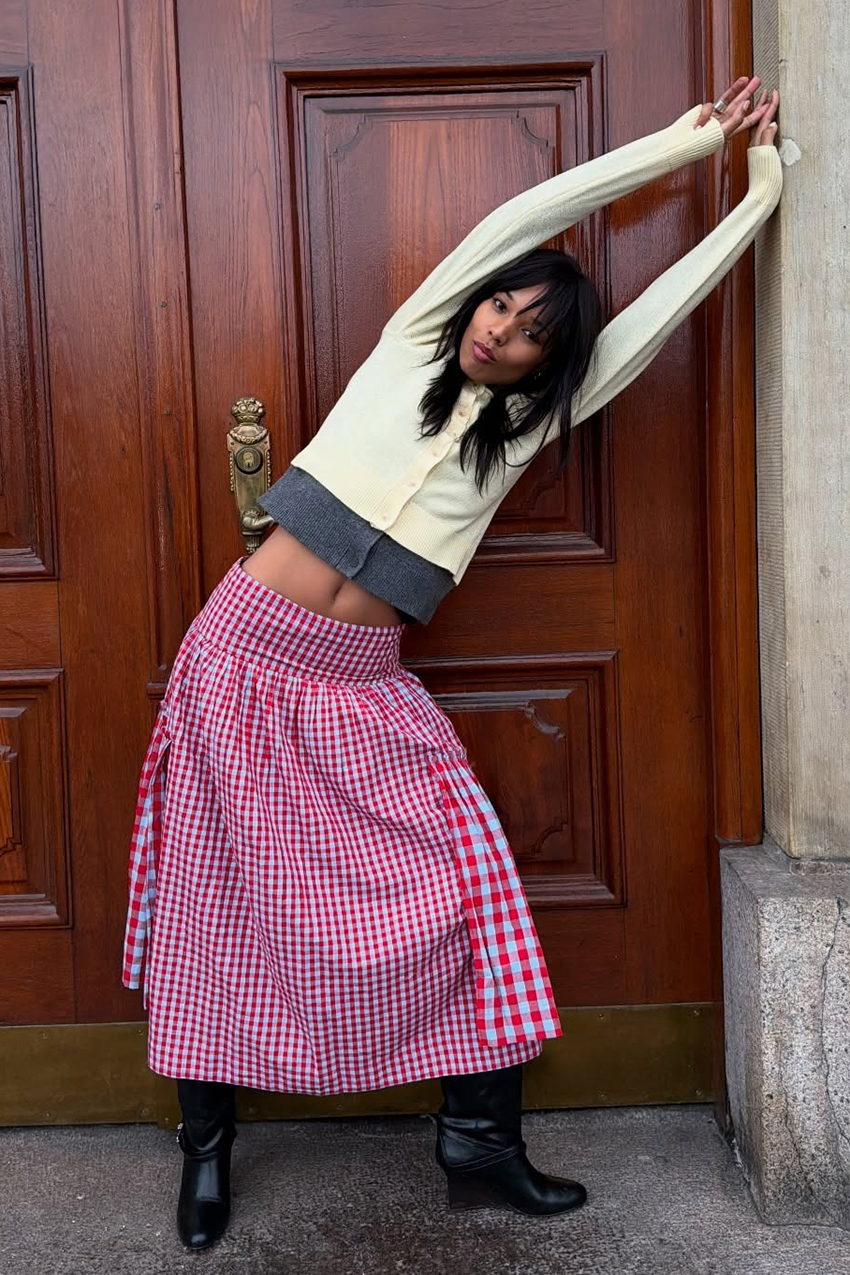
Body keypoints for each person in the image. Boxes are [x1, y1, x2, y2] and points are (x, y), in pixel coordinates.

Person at [122, 77, 782, 1251]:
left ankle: (479, 1144)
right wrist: (693, 143)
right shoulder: (413, 340)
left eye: (529, 334)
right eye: (502, 306)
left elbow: (652, 321)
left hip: (359, 680)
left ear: (544, 365)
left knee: (467, 885)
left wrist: (757, 194)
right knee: (217, 901)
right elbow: (529, 214)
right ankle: (206, 1148)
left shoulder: (520, 431)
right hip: (239, 658)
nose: (501, 331)